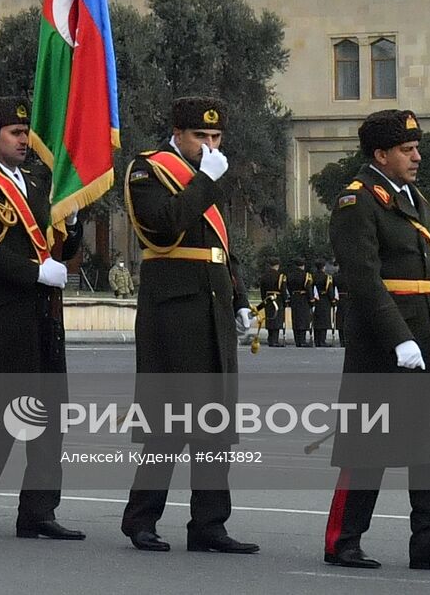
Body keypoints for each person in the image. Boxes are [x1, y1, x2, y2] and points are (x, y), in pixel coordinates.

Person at [323, 109, 430, 573]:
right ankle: (343, 541)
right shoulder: (357, 203)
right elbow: (364, 280)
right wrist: (398, 338)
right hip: (384, 342)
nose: (417, 156)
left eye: (416, 148)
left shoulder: (412, 199)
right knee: (367, 446)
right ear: (381, 154)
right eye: (407, 150)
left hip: (426, 334)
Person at [119, 97, 259, 555]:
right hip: (172, 310)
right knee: (168, 423)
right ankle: (141, 519)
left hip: (213, 307)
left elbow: (221, 243)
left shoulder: (205, 178)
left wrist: (240, 299)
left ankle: (209, 524)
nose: (210, 145)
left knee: (216, 425)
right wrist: (205, 180)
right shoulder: (148, 170)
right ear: (177, 133)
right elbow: (163, 226)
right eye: (201, 136)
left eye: (216, 138)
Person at [0, 97, 85, 540]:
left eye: (26, 132)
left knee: (49, 416)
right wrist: (34, 272)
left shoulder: (36, 183)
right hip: (5, 310)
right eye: (15, 133)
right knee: (7, 416)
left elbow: (61, 244)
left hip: (43, 312)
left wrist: (75, 220)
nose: (25, 140)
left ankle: (39, 512)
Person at [258, 259, 287, 347]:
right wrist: (285, 300)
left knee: (270, 318)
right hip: (277, 299)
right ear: (277, 265)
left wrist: (264, 299)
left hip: (268, 298)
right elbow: (283, 289)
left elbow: (262, 290)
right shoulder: (280, 276)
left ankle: (270, 338)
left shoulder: (264, 276)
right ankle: (275, 340)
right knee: (277, 318)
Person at [288, 260, 314, 347]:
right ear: (303, 265)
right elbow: (308, 288)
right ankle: (302, 340)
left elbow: (289, 287)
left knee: (295, 319)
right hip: (303, 299)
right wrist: (311, 300)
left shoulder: (290, 275)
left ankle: (297, 340)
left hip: (294, 298)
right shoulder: (306, 275)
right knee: (303, 319)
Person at [312, 261, 336, 348]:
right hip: (324, 299)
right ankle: (322, 340)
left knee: (316, 320)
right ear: (323, 267)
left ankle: (316, 340)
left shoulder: (312, 276)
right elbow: (329, 290)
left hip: (315, 299)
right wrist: (333, 300)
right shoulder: (327, 277)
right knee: (324, 321)